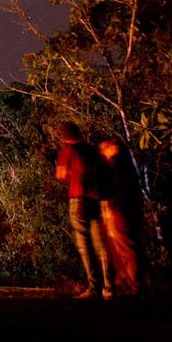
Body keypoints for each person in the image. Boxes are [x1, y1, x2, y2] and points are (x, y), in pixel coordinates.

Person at [56, 122, 114, 299]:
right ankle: (109, 287)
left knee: (84, 243)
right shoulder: (91, 150)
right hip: (95, 199)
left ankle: (94, 287)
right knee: (101, 244)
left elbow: (60, 174)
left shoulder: (68, 150)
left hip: (78, 197)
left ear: (64, 136)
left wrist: (73, 176)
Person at [99, 138, 144, 295]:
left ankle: (134, 284)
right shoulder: (120, 167)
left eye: (105, 149)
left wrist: (111, 206)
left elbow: (117, 189)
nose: (102, 152)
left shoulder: (118, 167)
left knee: (125, 248)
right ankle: (126, 283)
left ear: (114, 149)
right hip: (119, 209)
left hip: (118, 210)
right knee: (119, 248)